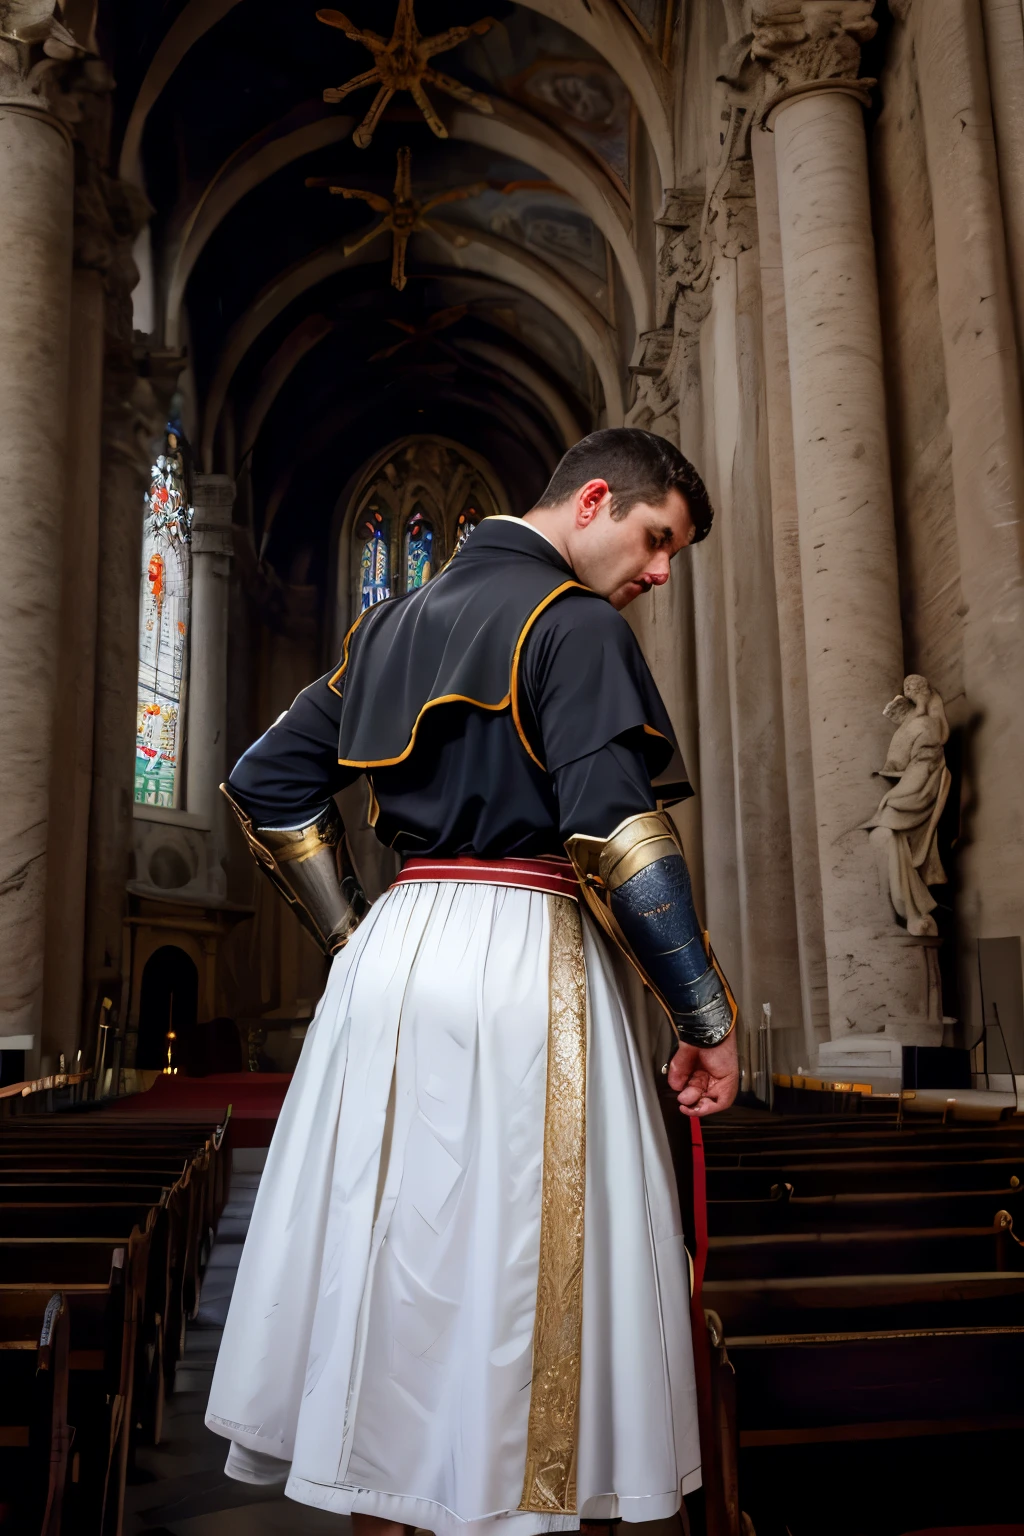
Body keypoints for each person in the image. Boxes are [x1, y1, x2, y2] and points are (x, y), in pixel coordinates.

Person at [205, 427, 740, 1536]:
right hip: (523, 954)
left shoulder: (387, 625)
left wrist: (354, 932)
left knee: (392, 1266)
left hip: (390, 964)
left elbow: (266, 784)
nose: (658, 572)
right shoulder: (576, 626)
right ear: (592, 500)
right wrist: (705, 1017)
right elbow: (619, 837)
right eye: (655, 540)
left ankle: (386, 1509)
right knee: (526, 1277)